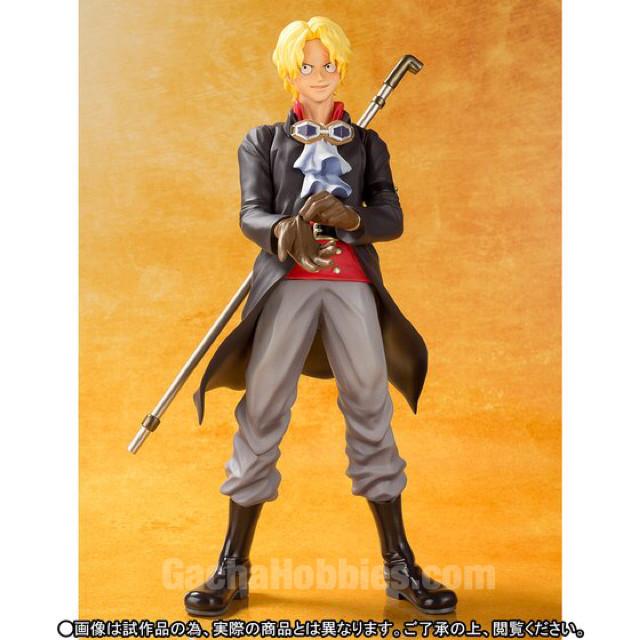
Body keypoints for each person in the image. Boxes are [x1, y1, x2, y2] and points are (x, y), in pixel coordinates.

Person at [184, 16, 457, 617]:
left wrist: (354, 219)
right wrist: (283, 229)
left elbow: (392, 215)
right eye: (306, 66)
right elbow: (250, 212)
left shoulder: (366, 143)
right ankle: (233, 563)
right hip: (287, 286)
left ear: (341, 68)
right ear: (290, 72)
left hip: (351, 285)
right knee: (262, 407)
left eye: (327, 64)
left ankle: (399, 564)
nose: (318, 75)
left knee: (370, 407)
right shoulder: (262, 141)